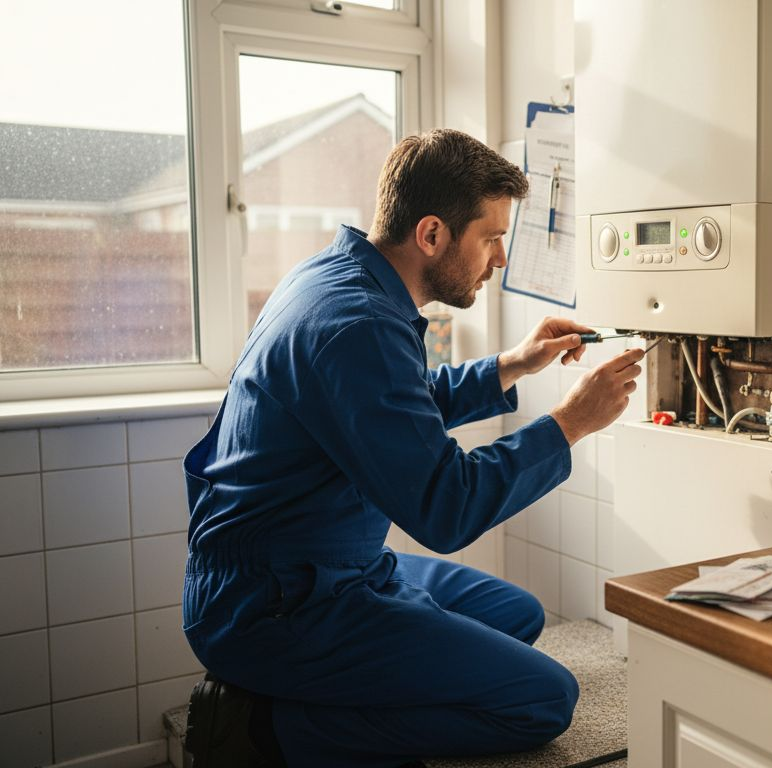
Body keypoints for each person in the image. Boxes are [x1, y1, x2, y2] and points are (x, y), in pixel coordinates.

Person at [181, 128, 643, 768]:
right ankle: (264, 728)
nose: (501, 257)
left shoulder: (340, 278)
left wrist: (512, 364)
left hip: (328, 564)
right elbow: (445, 509)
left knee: (515, 614)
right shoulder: (357, 323)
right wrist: (570, 423)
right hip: (276, 604)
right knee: (543, 699)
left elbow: (396, 404)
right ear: (431, 235)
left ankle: (366, 664)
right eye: (490, 237)